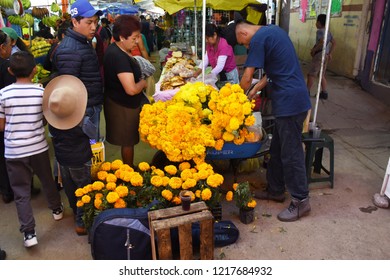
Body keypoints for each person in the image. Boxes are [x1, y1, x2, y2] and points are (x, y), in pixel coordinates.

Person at [236, 20, 312, 222]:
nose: (245, 47)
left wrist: (237, 96)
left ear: (243, 32)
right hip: (290, 101)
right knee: (277, 148)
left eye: (243, 43)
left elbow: (247, 75)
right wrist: (254, 90)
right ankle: (276, 190)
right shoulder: (273, 32)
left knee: (291, 152)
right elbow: (271, 74)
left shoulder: (259, 38)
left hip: (290, 103)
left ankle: (301, 201)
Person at [0, 51, 64, 247]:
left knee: (20, 192)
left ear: (10, 70)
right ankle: (56, 210)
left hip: (13, 151)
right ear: (34, 69)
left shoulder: (3, 94)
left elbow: (1, 126)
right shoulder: (40, 92)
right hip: (37, 147)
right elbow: (46, 119)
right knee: (46, 180)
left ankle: (29, 233)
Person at [43, 75, 92, 236]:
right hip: (80, 159)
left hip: (62, 158)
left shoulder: (53, 122)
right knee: (83, 188)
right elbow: (93, 133)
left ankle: (74, 210)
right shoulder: (83, 121)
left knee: (70, 187)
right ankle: (81, 221)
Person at [53, 0, 103, 142]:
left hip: (90, 105)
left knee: (93, 150)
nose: (94, 27)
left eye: (96, 22)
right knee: (86, 151)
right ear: (75, 22)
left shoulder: (83, 42)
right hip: (83, 111)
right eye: (89, 22)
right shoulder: (70, 49)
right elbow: (69, 88)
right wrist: (79, 117)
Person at [103, 15, 147, 167]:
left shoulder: (117, 49)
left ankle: (129, 168)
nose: (137, 42)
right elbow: (131, 89)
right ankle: (129, 171)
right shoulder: (118, 56)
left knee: (129, 139)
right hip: (122, 105)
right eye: (134, 38)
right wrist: (143, 83)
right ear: (122, 37)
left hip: (121, 102)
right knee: (128, 140)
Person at [307, 14, 336, 100]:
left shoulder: (320, 31)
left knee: (311, 74)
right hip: (326, 55)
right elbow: (334, 43)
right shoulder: (328, 32)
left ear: (319, 23)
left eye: (316, 22)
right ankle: (324, 93)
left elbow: (322, 42)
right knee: (321, 75)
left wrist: (314, 50)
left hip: (319, 55)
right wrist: (330, 53)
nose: (316, 24)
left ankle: (306, 92)